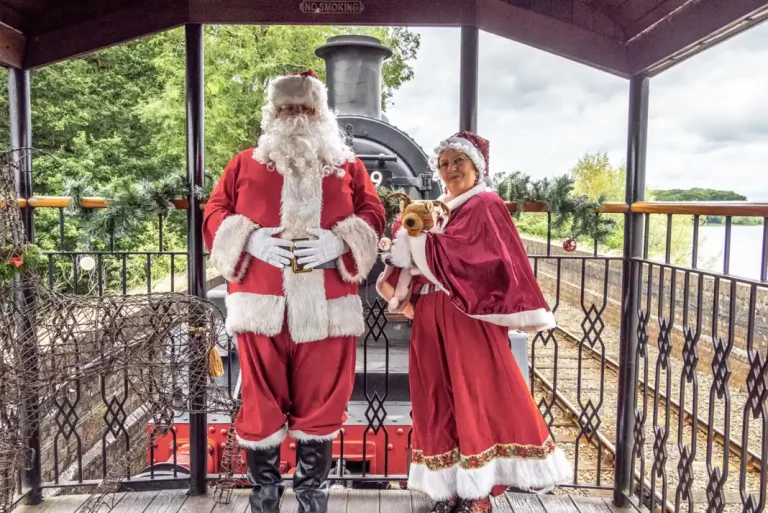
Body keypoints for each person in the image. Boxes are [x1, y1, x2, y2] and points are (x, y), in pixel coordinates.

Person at [203, 69, 385, 513]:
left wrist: (341, 242)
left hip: (328, 309)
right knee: (260, 405)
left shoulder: (348, 166)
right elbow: (215, 211)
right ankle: (264, 501)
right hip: (260, 306)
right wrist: (249, 239)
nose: (296, 116)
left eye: (305, 108)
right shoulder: (244, 163)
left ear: (320, 113)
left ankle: (311, 501)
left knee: (322, 405)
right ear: (273, 113)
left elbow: (374, 213)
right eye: (287, 108)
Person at [379, 132, 571, 512]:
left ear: (476, 167)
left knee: (473, 396)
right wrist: (404, 248)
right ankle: (448, 489)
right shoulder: (440, 208)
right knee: (436, 398)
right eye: (444, 163)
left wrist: (414, 239)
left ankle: (477, 493)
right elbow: (425, 260)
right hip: (432, 314)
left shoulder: (485, 204)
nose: (450, 169)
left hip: (467, 317)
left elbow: (467, 260)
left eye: (458, 162)